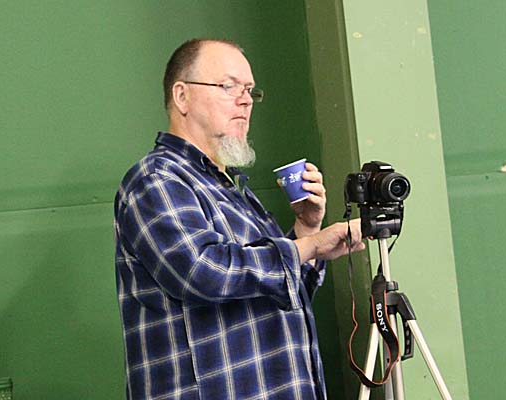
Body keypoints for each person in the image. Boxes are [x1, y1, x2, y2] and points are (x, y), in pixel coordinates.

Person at [114, 38, 365, 400]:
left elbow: (276, 295)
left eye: (249, 90)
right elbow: (203, 271)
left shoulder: (231, 187)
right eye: (228, 86)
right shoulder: (156, 180)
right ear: (182, 96)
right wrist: (307, 247)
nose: (245, 101)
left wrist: (306, 229)